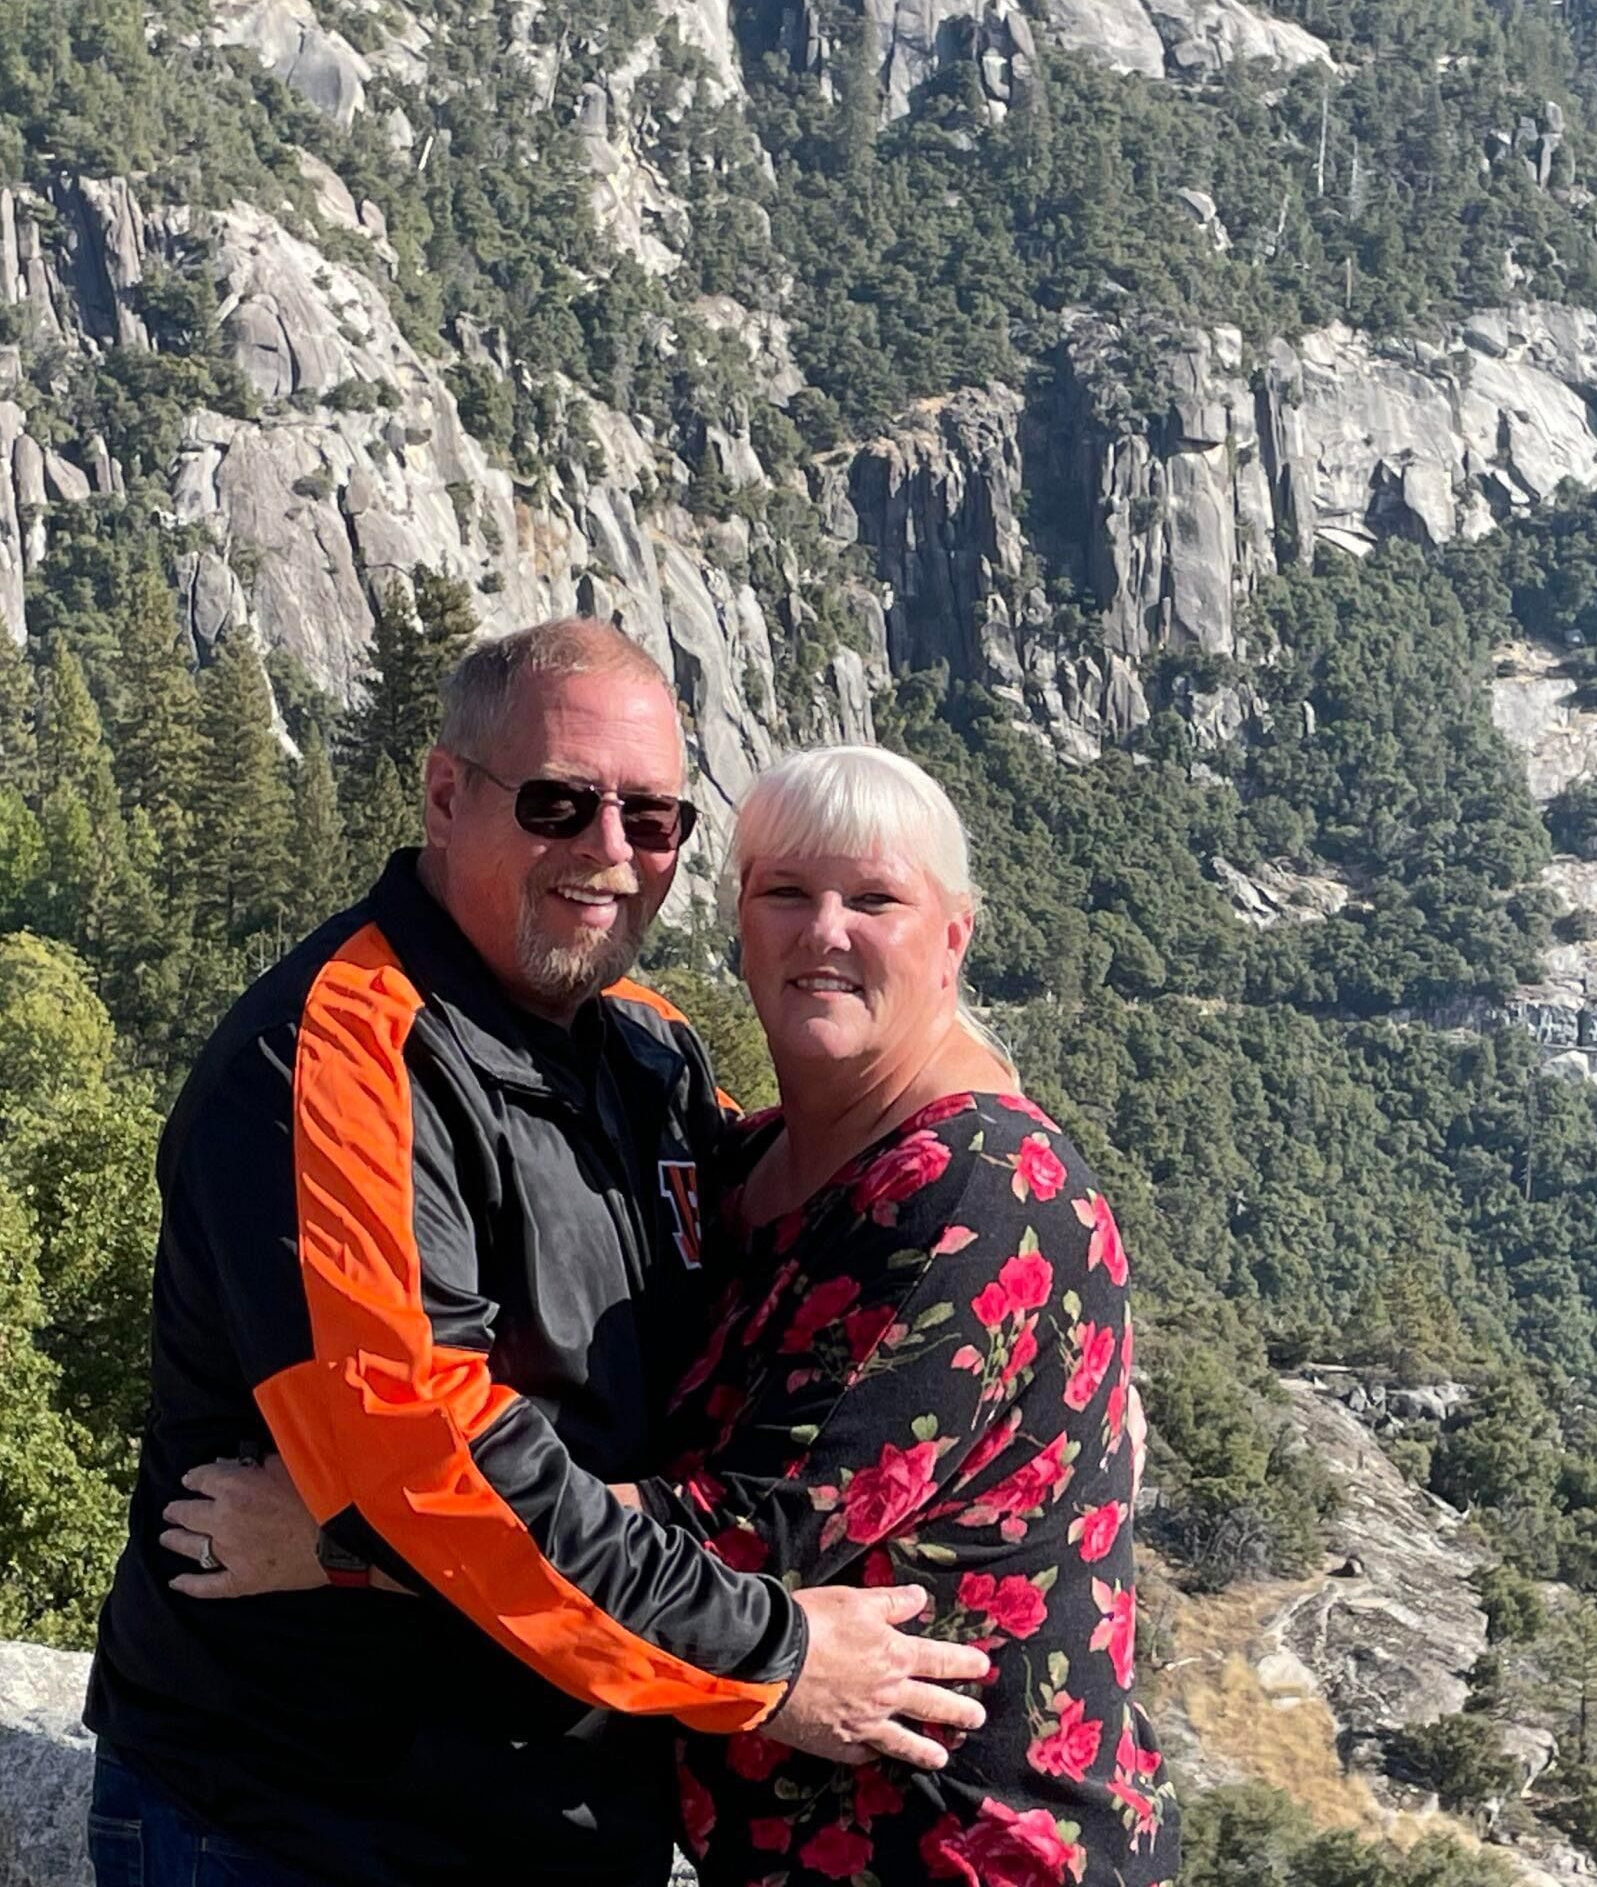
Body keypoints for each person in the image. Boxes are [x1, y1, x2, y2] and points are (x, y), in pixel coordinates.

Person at [166, 743, 1180, 1885]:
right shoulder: (751, 1160)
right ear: (738, 923)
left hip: (966, 1846)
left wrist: (350, 1543)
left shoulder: (977, 1191)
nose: (824, 931)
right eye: (785, 892)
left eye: (874, 900)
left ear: (954, 936)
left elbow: (744, 1544)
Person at [87, 625, 990, 1887]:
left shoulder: (652, 1053)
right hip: (301, 1820)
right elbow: (431, 1467)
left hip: (559, 1815)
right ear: (446, 795)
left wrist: (346, 1545)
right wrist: (771, 1660)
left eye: (654, 819)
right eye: (559, 803)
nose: (610, 851)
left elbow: (778, 1290)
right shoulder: (336, 1062)